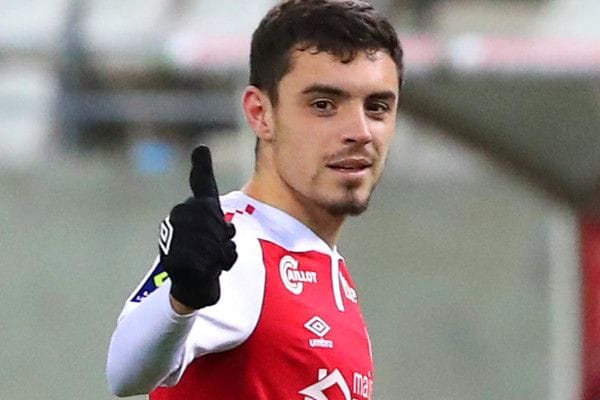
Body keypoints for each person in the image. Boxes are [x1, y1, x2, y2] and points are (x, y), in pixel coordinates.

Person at [106, 0, 403, 398]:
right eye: (323, 105)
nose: (360, 131)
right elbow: (124, 371)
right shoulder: (237, 246)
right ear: (260, 113)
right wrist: (182, 298)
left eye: (377, 107)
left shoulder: (321, 262)